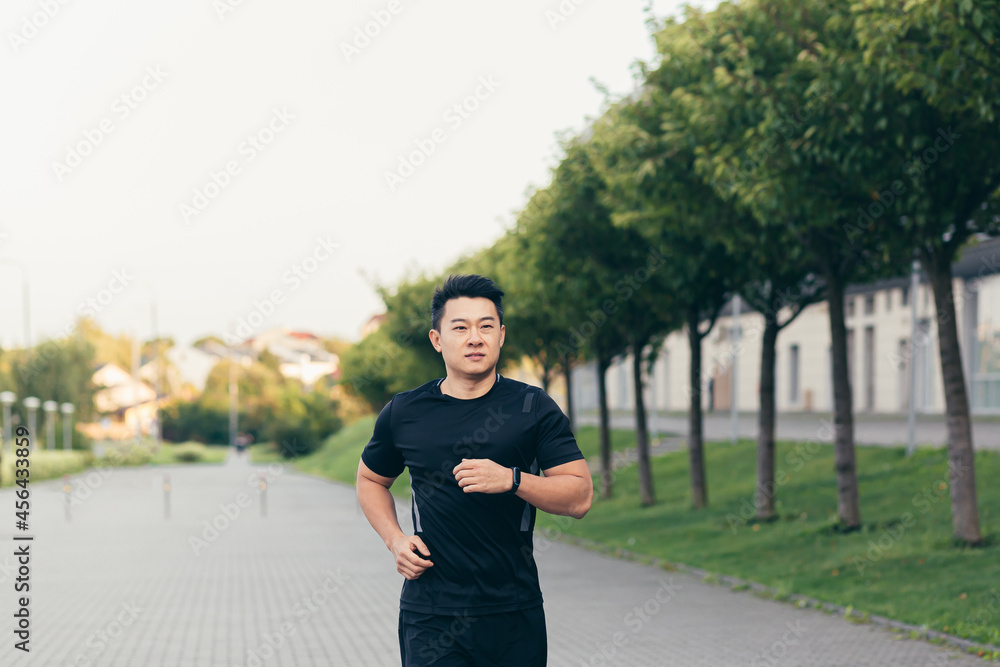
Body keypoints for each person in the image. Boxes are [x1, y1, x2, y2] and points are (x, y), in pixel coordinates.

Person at [357, 274, 593, 667]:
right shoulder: (406, 411)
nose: (475, 338)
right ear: (437, 339)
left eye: (486, 326)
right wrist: (395, 539)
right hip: (431, 612)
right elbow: (370, 479)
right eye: (460, 327)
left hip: (512, 613)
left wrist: (512, 480)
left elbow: (580, 497)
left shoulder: (532, 408)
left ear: (501, 335)